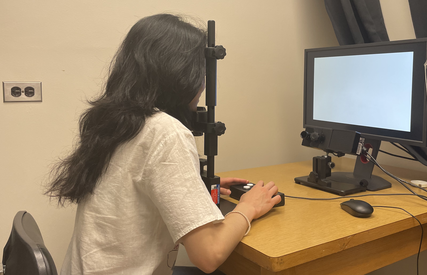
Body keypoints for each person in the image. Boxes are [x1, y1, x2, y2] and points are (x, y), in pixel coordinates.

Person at [46, 13, 281, 275]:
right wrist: (249, 207)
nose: (202, 85)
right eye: (200, 73)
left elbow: (131, 188)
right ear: (180, 75)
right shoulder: (165, 131)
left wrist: (192, 186)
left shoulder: (112, 120)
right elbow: (209, 254)